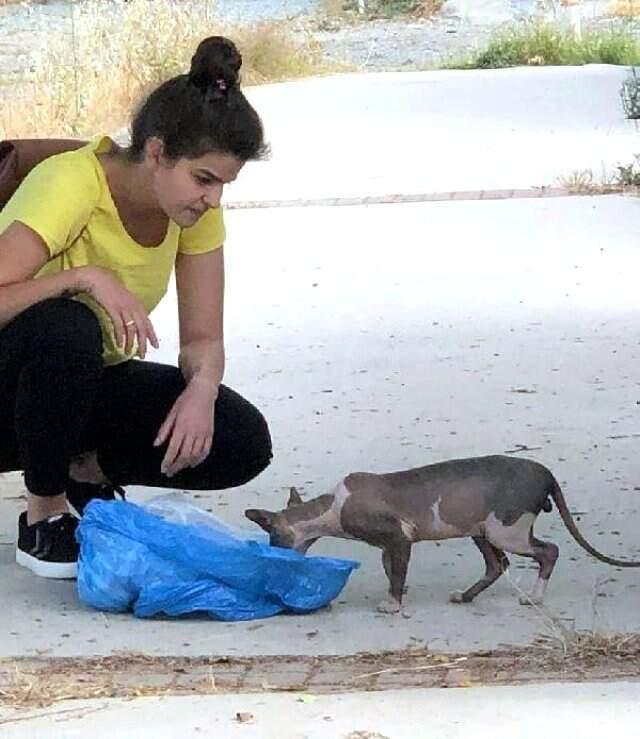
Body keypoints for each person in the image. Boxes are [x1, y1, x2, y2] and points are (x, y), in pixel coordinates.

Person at [0, 36, 273, 579]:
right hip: (13, 390)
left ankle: (82, 469)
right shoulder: (71, 182)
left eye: (224, 184)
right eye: (204, 178)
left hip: (73, 392)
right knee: (68, 322)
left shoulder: (195, 215)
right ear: (155, 151)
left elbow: (201, 340)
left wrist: (201, 389)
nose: (212, 198)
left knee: (239, 437)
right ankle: (43, 515)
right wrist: (80, 277)